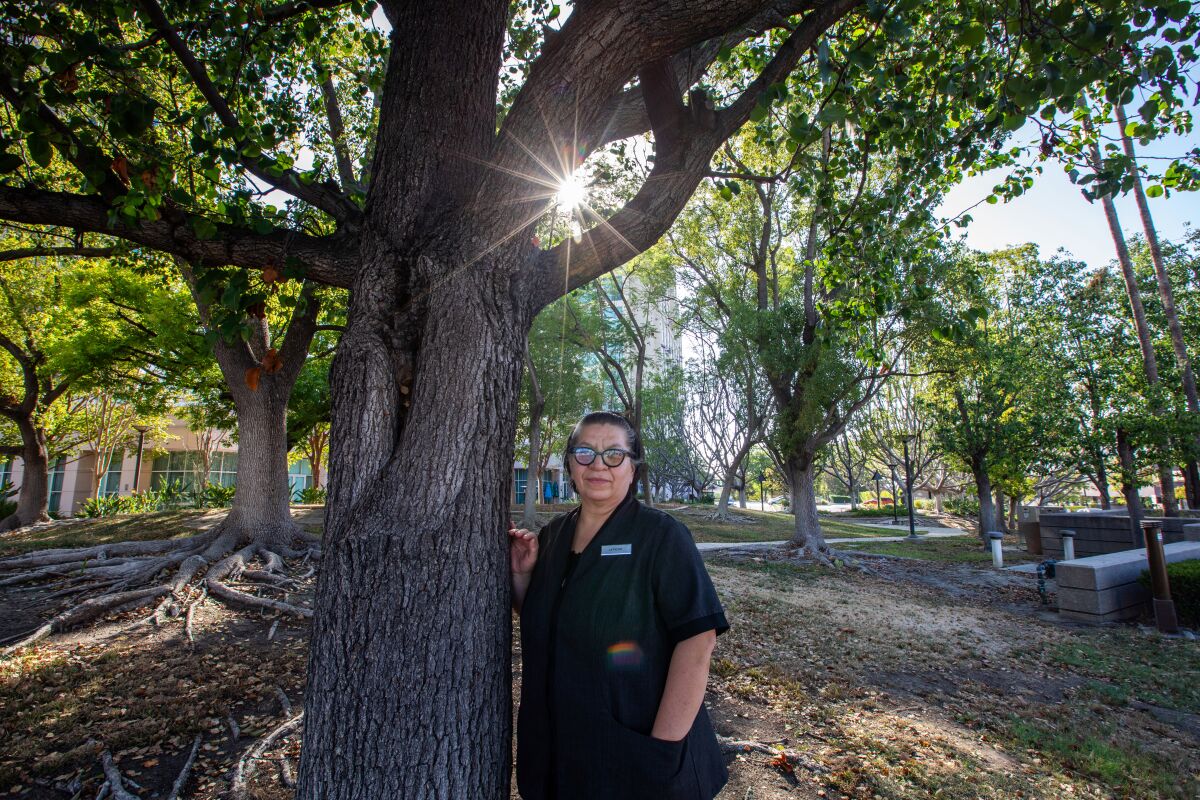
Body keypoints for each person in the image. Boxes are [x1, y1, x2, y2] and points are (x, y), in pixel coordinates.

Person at [509, 411, 729, 800]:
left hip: (636, 757)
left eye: (614, 454)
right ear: (571, 464)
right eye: (585, 452)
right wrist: (525, 577)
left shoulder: (662, 537)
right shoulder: (553, 537)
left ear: (632, 467)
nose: (598, 464)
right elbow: (552, 625)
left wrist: (661, 750)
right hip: (555, 755)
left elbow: (698, 643)